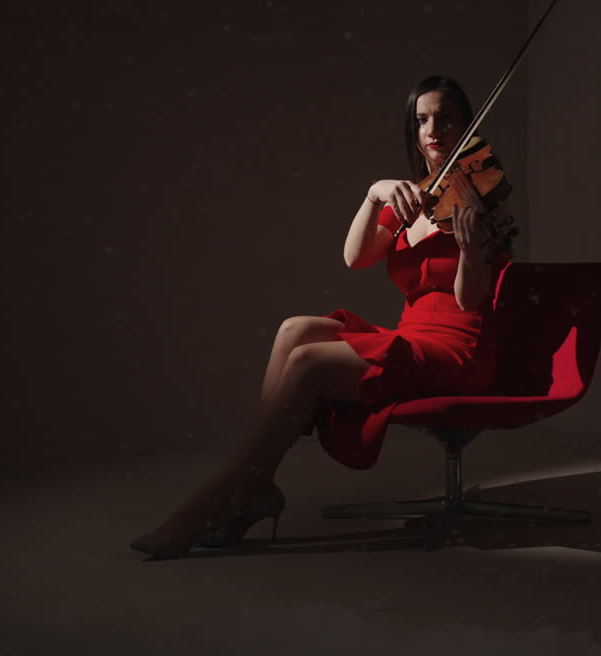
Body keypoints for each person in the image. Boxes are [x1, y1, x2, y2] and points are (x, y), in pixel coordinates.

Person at [130, 75, 513, 558]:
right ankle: (253, 483)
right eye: (421, 120)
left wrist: (471, 250)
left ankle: (222, 495)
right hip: (413, 333)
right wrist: (373, 193)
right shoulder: (415, 197)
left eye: (446, 117)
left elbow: (469, 302)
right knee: (296, 328)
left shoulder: (477, 198)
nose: (433, 129)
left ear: (465, 123)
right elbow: (356, 257)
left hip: (457, 347)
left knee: (309, 363)